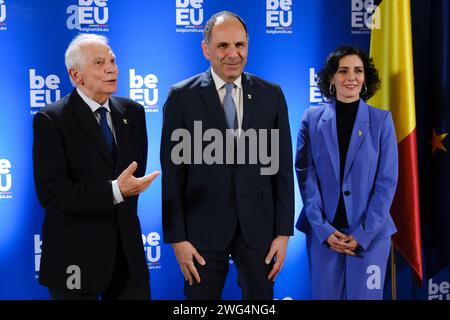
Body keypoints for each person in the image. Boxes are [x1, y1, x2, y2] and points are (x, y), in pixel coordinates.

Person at [160, 11, 294, 300]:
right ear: (206, 49)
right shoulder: (181, 97)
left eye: (240, 45)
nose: (233, 54)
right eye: (223, 46)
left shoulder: (272, 94)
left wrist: (283, 234)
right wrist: (178, 239)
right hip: (200, 232)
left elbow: (282, 169)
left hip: (258, 230)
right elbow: (172, 175)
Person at [33, 34, 159, 300]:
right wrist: (113, 190)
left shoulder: (133, 113)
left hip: (127, 257)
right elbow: (52, 194)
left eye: (112, 60)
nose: (111, 68)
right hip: (74, 257)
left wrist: (123, 189)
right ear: (77, 76)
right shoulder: (52, 119)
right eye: (100, 63)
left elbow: (131, 181)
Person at [295, 45, 398, 299]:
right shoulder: (311, 119)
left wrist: (363, 234)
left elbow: (386, 182)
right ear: (332, 77)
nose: (351, 77)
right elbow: (306, 177)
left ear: (365, 78)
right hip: (324, 237)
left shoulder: (382, 121)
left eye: (358, 71)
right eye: (343, 71)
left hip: (370, 238)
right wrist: (323, 229)